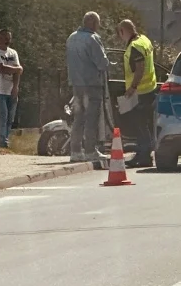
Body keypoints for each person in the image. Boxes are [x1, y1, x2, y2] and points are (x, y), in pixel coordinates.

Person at [66, 11, 110, 163]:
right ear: (92, 23)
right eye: (98, 23)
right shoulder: (93, 39)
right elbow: (102, 63)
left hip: (76, 84)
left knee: (78, 117)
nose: (98, 26)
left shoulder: (71, 38)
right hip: (91, 84)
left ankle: (75, 151)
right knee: (92, 118)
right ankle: (91, 150)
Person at [117, 19, 157, 168]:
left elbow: (139, 68)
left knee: (141, 125)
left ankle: (144, 155)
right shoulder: (144, 40)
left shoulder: (134, 47)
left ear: (122, 32)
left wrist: (132, 87)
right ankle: (143, 153)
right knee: (143, 124)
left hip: (140, 91)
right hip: (150, 88)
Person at [0, 28, 23, 148]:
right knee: (3, 114)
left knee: (10, 117)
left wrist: (15, 87)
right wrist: (18, 69)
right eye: (3, 38)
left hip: (10, 89)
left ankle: (6, 137)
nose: (6, 41)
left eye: (8, 38)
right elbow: (1, 69)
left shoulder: (13, 53)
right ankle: (2, 141)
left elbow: (17, 73)